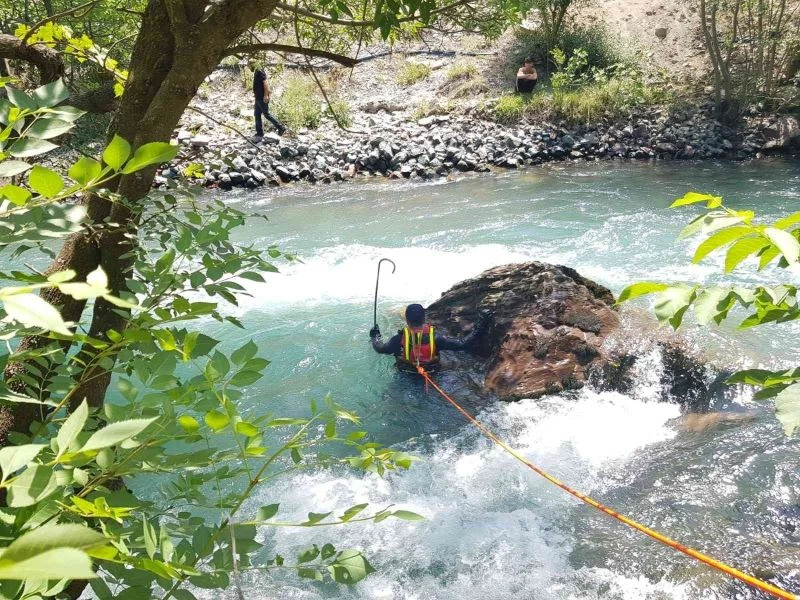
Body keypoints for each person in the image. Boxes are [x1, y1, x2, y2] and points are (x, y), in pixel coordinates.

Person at [370, 303, 492, 372]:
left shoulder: (398, 340)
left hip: (406, 374)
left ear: (407, 320)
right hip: (432, 373)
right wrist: (482, 323)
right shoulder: (436, 338)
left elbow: (380, 348)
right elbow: (463, 344)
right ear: (424, 319)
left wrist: (375, 336)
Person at [251, 62, 285, 142]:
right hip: (258, 98)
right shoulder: (257, 70)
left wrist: (266, 95)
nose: (248, 67)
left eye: (249, 65)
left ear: (253, 64)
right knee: (257, 114)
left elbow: (265, 83)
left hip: (262, 97)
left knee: (266, 114)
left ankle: (281, 127)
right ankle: (259, 132)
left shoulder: (259, 70)